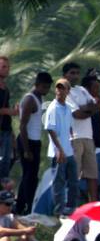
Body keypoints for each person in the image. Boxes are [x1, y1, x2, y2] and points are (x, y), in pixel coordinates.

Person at [62, 63, 99, 206]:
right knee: (73, 175)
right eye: (72, 73)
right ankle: (71, 205)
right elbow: (77, 115)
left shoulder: (82, 90)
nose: (75, 76)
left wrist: (86, 109)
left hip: (88, 137)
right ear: (65, 75)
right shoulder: (64, 92)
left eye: (77, 73)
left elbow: (96, 105)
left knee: (92, 175)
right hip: (74, 138)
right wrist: (88, 109)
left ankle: (93, 206)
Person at [15, 71, 51, 214]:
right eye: (44, 87)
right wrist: (26, 149)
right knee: (29, 177)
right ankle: (25, 207)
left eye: (48, 87)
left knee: (31, 176)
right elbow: (22, 125)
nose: (46, 90)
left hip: (35, 141)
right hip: (27, 141)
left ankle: (24, 206)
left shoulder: (39, 98)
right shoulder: (30, 99)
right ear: (36, 85)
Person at [43, 78, 78, 215]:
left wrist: (71, 142)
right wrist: (59, 150)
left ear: (68, 91)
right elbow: (50, 130)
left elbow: (69, 128)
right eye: (58, 87)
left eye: (63, 88)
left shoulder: (68, 107)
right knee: (59, 182)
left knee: (73, 181)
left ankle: (71, 208)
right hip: (58, 152)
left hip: (68, 151)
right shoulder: (53, 107)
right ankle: (59, 211)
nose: (59, 90)